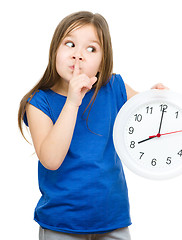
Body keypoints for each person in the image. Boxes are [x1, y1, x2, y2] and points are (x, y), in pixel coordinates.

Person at [18, 11, 167, 240]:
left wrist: (156, 99)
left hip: (112, 220)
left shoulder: (114, 86)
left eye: (91, 49)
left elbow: (148, 119)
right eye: (70, 44)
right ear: (54, 50)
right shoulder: (38, 102)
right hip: (61, 224)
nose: (78, 55)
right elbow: (51, 159)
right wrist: (72, 101)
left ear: (102, 62)